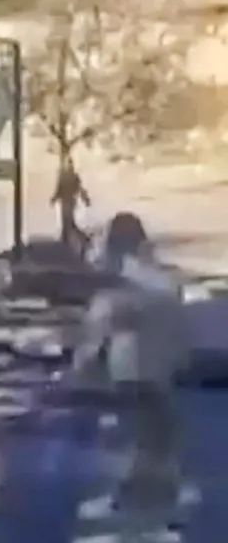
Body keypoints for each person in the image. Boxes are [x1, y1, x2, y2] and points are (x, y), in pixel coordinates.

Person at [71, 211, 188, 534]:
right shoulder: (159, 278)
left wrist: (82, 369)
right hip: (159, 378)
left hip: (136, 378)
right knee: (155, 444)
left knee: (139, 443)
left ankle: (141, 511)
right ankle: (157, 510)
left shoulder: (123, 284)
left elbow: (100, 331)